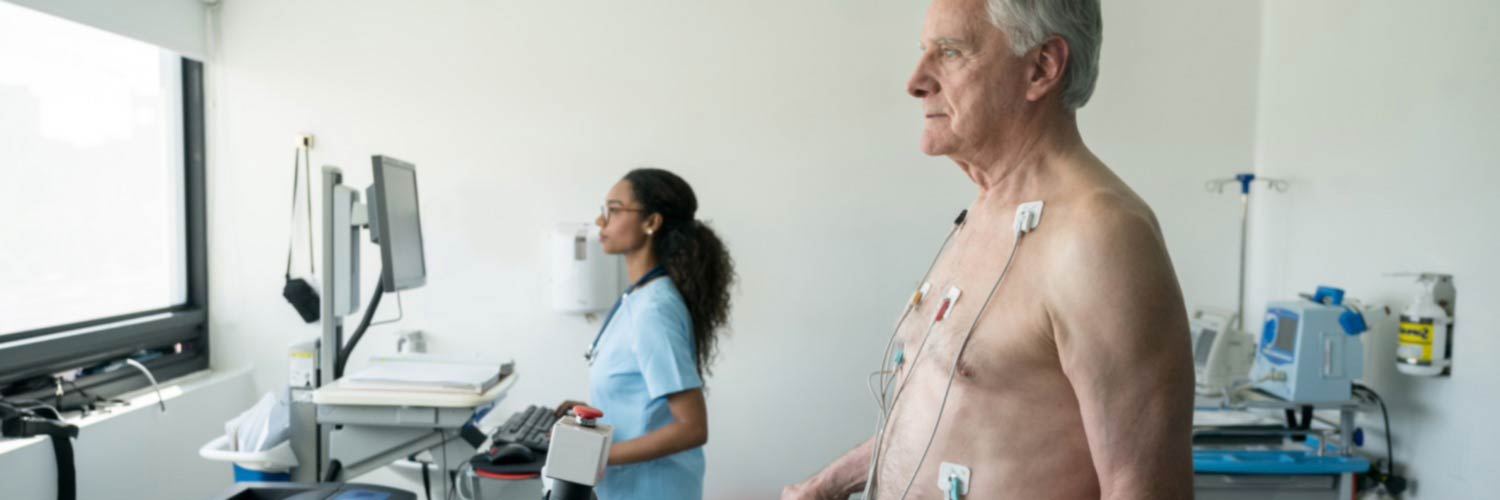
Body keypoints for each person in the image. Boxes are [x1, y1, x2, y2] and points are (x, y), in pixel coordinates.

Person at [782, 0, 1194, 498]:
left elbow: (1144, 488)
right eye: (923, 51)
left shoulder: (1101, 238)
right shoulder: (986, 211)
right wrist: (826, 485)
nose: (915, 81)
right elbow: (954, 414)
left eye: (950, 52)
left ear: (1041, 68)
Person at [555, 168, 735, 500]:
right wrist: (598, 416)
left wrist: (596, 454)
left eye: (614, 209)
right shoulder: (639, 296)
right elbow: (641, 398)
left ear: (651, 222)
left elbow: (691, 427)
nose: (600, 220)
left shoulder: (654, 309)